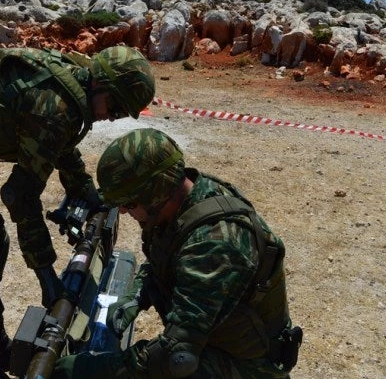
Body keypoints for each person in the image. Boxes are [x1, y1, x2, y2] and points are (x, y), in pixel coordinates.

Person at [0, 46, 155, 378]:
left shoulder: (77, 85)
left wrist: (85, 190)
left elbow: (58, 143)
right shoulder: (56, 106)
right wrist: (47, 276)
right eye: (115, 107)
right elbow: (19, 195)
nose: (111, 117)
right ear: (100, 85)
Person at [54, 128, 302, 378]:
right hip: (219, 342)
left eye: (129, 204)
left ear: (155, 193)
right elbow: (166, 256)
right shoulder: (188, 198)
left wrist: (94, 369)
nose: (126, 213)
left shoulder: (213, 246)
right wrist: (137, 294)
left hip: (248, 366)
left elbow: (176, 356)